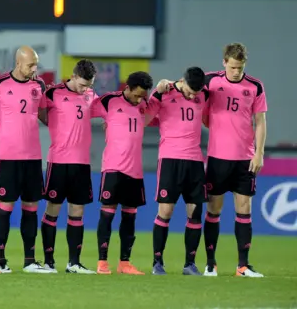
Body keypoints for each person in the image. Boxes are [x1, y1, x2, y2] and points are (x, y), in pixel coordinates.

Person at [0, 46, 50, 274]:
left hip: (33, 157)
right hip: (9, 158)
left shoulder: (38, 86)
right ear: (18, 63)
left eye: (36, 64)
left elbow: (44, 115)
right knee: (6, 208)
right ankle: (0, 261)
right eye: (31, 64)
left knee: (31, 208)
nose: (34, 69)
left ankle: (30, 260)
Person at [202, 43, 267, 278]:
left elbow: (260, 121)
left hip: (244, 159)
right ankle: (211, 263)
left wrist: (259, 152)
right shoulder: (210, 81)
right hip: (218, 157)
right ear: (224, 62)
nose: (236, 71)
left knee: (244, 209)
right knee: (213, 209)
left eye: (240, 67)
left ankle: (243, 266)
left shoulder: (255, 86)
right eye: (232, 67)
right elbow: (185, 86)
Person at [90, 71, 154, 275]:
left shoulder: (144, 104)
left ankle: (124, 263)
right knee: (107, 215)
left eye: (142, 96)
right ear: (127, 87)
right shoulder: (109, 101)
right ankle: (102, 262)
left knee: (130, 218)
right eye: (136, 95)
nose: (139, 100)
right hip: (113, 168)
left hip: (134, 171)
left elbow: (160, 101)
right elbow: (82, 110)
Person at [148, 67, 209, 276]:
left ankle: (189, 264)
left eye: (196, 93)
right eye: (191, 91)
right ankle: (157, 263)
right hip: (170, 160)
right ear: (182, 81)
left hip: (194, 161)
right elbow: (146, 117)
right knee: (165, 212)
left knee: (195, 212)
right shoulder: (165, 93)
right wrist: (156, 91)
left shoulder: (204, 93)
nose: (193, 96)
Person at [39, 59, 98, 274]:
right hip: (59, 161)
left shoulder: (91, 95)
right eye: (82, 84)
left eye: (89, 85)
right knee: (52, 210)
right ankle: (48, 262)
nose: (86, 89)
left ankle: (74, 263)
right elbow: (41, 113)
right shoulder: (53, 93)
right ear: (73, 76)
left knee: (77, 211)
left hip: (82, 164)